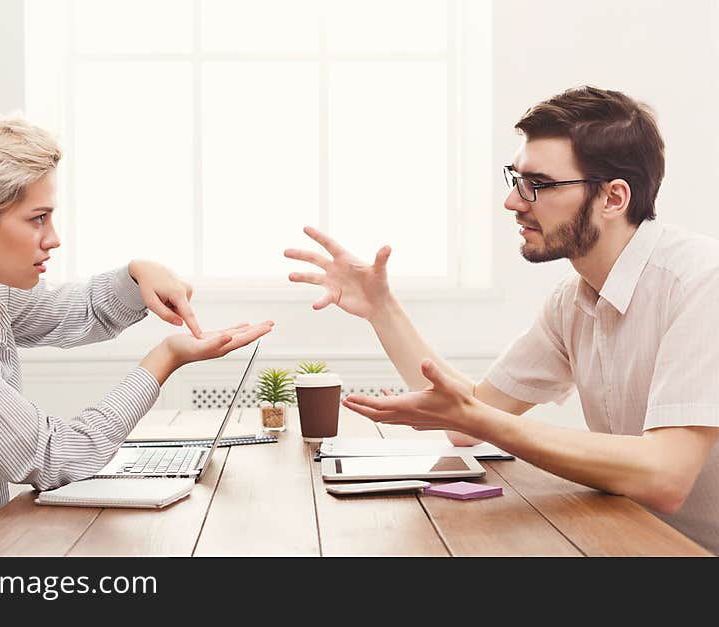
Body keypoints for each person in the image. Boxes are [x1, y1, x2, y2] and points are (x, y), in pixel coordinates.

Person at [285, 86, 719, 554]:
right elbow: (470, 420)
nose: (514, 202)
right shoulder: (571, 302)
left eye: (539, 184)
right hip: (633, 541)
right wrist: (380, 308)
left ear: (613, 198)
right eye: (515, 178)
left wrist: (483, 420)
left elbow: (665, 476)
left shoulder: (700, 283)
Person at [0, 110, 273, 556]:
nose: (53, 238)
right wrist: (165, 358)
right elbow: (58, 455)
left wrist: (136, 275)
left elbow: (78, 311)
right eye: (37, 219)